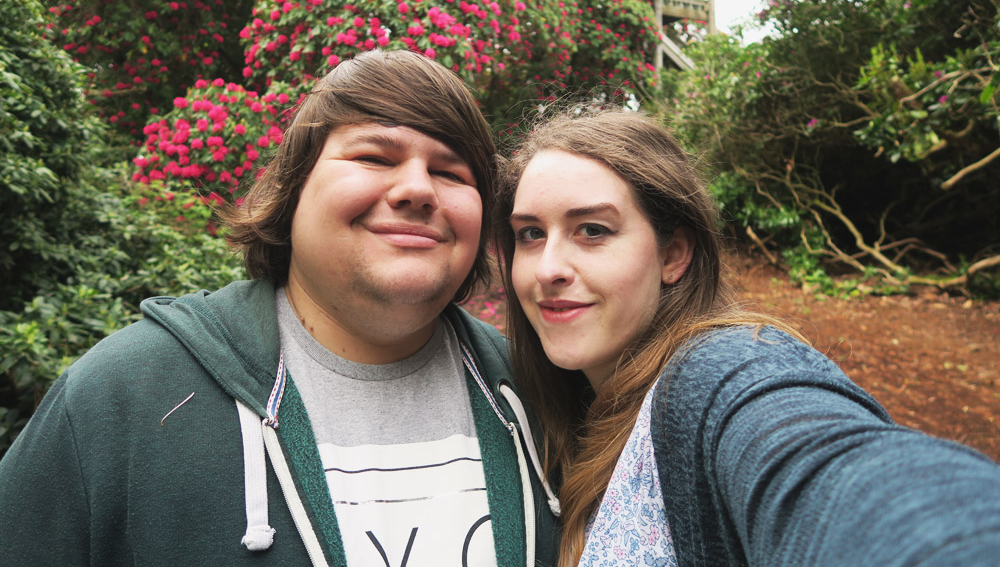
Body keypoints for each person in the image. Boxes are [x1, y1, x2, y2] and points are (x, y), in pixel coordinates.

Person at [0, 50, 559, 566]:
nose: (418, 189)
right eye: (372, 156)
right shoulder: (121, 396)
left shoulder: (546, 396)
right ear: (292, 193)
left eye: (450, 171)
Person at [493, 109, 1000, 567]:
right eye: (530, 234)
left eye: (593, 230)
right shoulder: (549, 406)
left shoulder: (721, 372)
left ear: (674, 256)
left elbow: (842, 481)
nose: (549, 269)